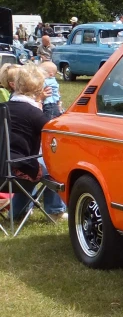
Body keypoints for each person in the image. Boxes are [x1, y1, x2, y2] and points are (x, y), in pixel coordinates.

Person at [6, 64, 67, 221]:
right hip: (19, 168)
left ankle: (15, 214)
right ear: (39, 87)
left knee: (31, 165)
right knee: (55, 168)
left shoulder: (3, 108)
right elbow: (53, 133)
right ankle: (55, 210)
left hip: (4, 167)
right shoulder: (32, 112)